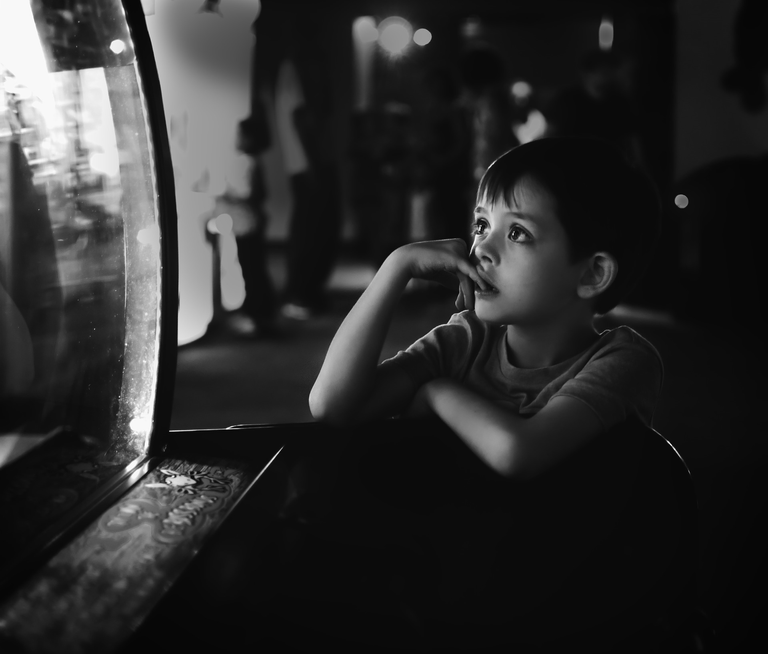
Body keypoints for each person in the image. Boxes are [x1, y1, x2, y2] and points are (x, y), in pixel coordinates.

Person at [300, 136, 664, 648]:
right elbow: (333, 406)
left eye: (517, 233)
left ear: (592, 273)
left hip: (570, 608)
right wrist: (397, 267)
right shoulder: (465, 338)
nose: (481, 250)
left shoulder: (623, 360)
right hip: (447, 596)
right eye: (480, 225)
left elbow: (518, 453)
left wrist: (436, 394)